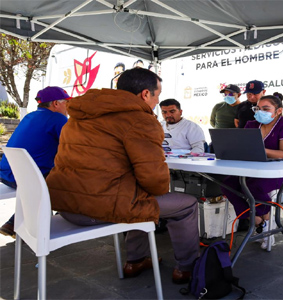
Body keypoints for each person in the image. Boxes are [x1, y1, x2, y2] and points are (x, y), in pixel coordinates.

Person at [46, 68, 199, 284]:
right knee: (186, 204)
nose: (157, 102)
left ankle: (136, 261)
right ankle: (188, 268)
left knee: (138, 195)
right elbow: (154, 180)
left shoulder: (78, 116)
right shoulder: (139, 120)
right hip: (98, 208)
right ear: (146, 94)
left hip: (67, 204)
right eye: (157, 95)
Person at [220, 94, 283, 249]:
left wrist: (258, 149)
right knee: (227, 183)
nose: (261, 112)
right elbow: (245, 149)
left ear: (278, 110)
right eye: (258, 108)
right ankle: (259, 218)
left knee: (254, 185)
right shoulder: (252, 124)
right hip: (260, 170)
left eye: (266, 109)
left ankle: (262, 220)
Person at [0, 86, 70, 238]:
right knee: (64, 179)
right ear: (56, 104)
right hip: (23, 177)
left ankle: (12, 223)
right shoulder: (58, 118)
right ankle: (65, 218)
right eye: (66, 102)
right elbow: (73, 147)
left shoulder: (30, 116)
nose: (69, 107)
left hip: (7, 172)